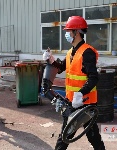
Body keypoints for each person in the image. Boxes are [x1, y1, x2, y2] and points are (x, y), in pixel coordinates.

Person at [43, 16, 105, 150]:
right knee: (65, 136)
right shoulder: (71, 52)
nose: (67, 34)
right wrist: (51, 60)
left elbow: (94, 77)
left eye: (69, 31)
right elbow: (61, 68)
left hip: (86, 103)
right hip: (71, 102)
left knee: (92, 136)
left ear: (76, 32)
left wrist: (81, 94)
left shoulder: (87, 52)